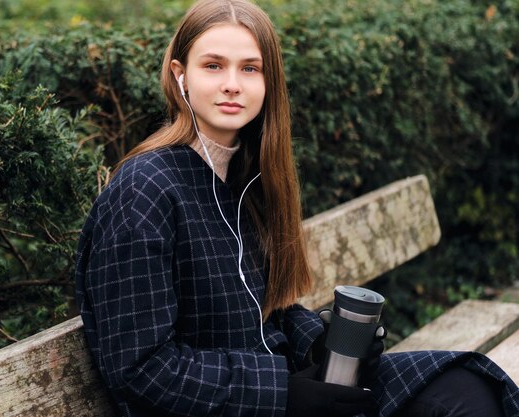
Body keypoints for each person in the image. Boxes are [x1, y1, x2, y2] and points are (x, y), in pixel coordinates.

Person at [75, 1, 519, 416]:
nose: (232, 83)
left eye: (250, 68)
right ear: (180, 75)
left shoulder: (248, 175)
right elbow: (141, 368)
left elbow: (270, 307)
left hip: (287, 383)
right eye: (213, 65)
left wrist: (323, 345)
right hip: (241, 405)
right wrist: (286, 394)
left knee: (469, 389)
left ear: (268, 83)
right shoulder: (144, 191)